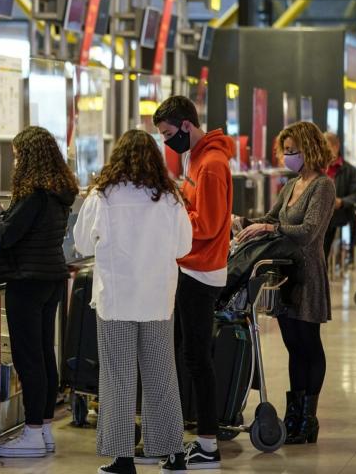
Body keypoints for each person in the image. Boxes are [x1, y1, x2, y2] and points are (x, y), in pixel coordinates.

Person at [73, 130, 193, 474]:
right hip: (157, 298)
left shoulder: (103, 196)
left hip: (116, 299)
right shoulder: (169, 198)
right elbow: (184, 246)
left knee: (117, 377)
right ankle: (173, 453)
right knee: (162, 374)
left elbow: (81, 243)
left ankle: (123, 458)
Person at [0, 126, 79, 459]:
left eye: (18, 155)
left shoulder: (33, 193)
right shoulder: (58, 191)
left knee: (29, 358)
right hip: (50, 279)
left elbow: (7, 233)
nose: (15, 162)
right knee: (45, 354)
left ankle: (31, 432)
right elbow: (23, 227)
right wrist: (4, 212)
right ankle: (44, 428)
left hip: (27, 280)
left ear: (29, 157)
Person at [236, 121, 335, 445]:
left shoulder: (323, 186)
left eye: (294, 150)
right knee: (293, 346)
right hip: (284, 274)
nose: (289, 155)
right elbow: (272, 219)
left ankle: (308, 418)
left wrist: (271, 229)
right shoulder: (291, 185)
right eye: (286, 150)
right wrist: (247, 223)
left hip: (307, 273)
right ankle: (294, 417)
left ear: (310, 148)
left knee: (309, 343)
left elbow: (308, 231)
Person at [152, 96, 234, 470]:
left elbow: (210, 224)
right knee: (189, 355)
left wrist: (175, 218)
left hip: (202, 272)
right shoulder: (195, 157)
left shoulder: (212, 163)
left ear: (186, 125)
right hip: (190, 267)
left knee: (197, 359)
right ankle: (198, 437)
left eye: (169, 133)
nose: (168, 142)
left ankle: (208, 443)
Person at [323, 132, 356, 261]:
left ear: (336, 147)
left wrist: (341, 202)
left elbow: (355, 196)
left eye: (327, 147)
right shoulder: (318, 168)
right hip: (318, 212)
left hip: (339, 212)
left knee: (326, 226)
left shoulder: (350, 171)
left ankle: (322, 264)